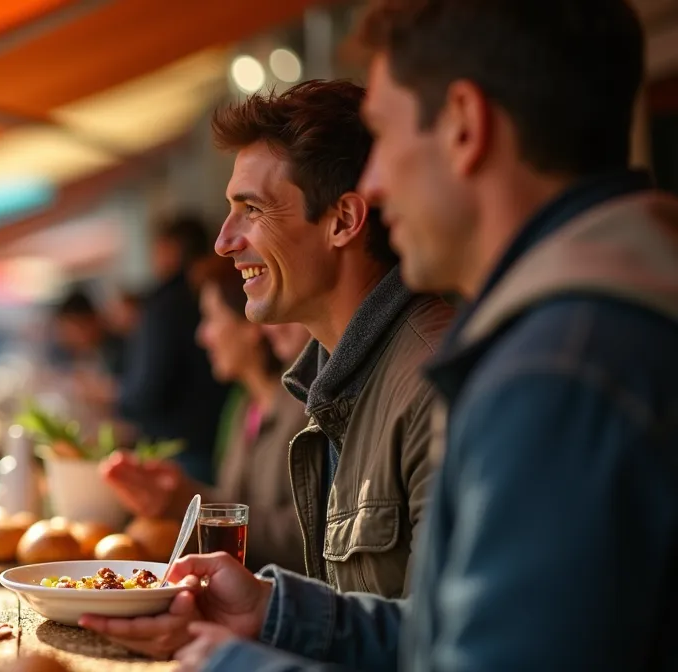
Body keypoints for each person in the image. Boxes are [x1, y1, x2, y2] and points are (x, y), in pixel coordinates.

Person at [99, 1, 678, 669]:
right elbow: (445, 637)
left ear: (464, 124)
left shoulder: (556, 367)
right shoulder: (576, 333)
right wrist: (276, 613)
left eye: (387, 133)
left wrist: (233, 663)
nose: (374, 182)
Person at [83, 79, 454, 658]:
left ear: (343, 220)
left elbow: (456, 646)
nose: (225, 242)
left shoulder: (435, 382)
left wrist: (242, 658)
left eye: (251, 209)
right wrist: (268, 610)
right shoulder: (338, 377)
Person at [102, 257, 307, 573]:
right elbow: (238, 510)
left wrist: (187, 504)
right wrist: (177, 497)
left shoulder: (307, 409)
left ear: (251, 323)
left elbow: (311, 539)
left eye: (210, 318)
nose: (202, 336)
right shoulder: (242, 407)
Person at [116, 214, 231, 485]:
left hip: (179, 449)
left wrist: (120, 399)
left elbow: (149, 386)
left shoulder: (167, 305)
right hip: (211, 437)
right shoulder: (197, 295)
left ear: (172, 248)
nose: (204, 337)